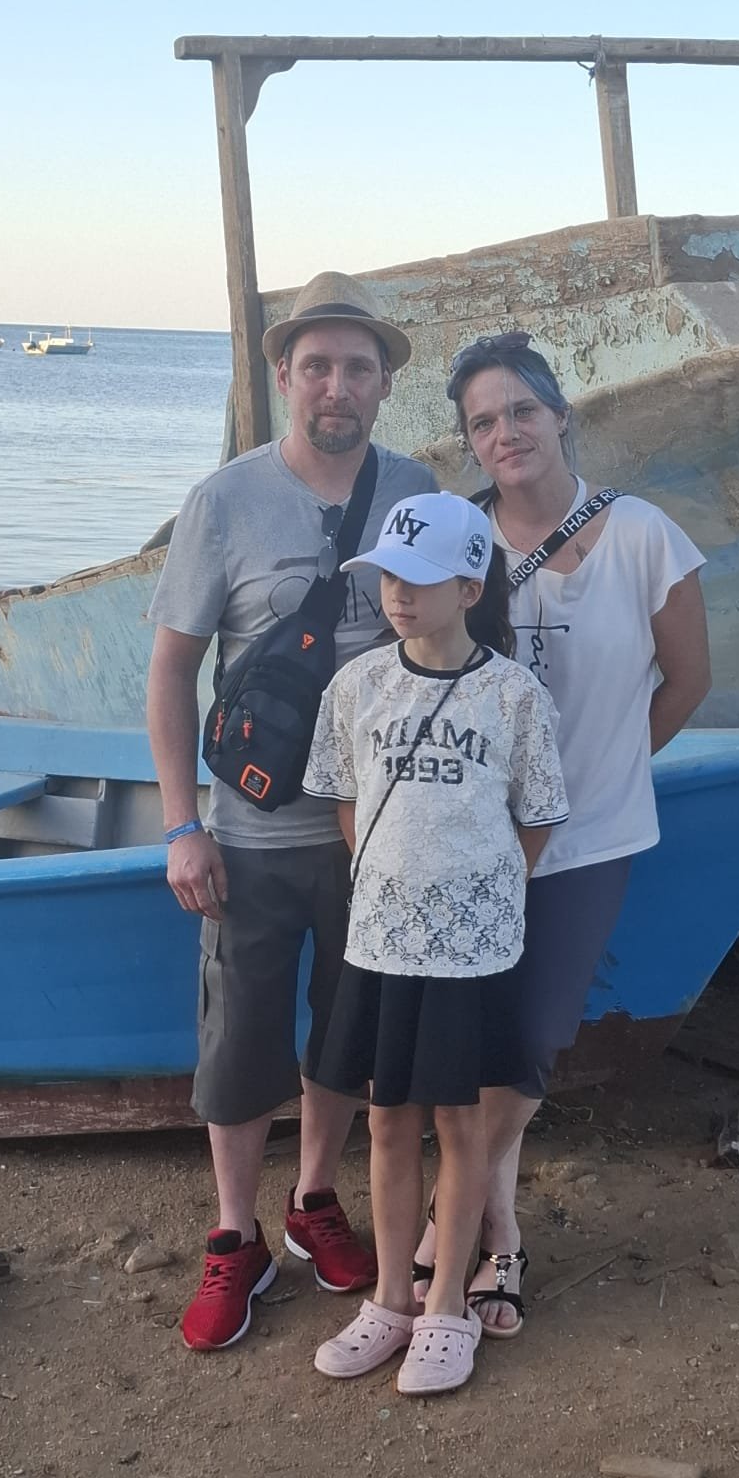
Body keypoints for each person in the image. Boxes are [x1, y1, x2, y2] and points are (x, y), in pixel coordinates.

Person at [146, 272, 439, 1352]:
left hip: (377, 835)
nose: (336, 386)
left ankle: (315, 1201)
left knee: (346, 1031)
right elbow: (170, 673)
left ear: (384, 384)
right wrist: (183, 826)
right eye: (317, 365)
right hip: (254, 833)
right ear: (283, 377)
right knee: (239, 1042)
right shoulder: (224, 502)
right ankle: (236, 1235)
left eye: (358, 367)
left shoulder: (414, 491)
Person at [411, 331, 711, 1336]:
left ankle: (446, 1222)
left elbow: (689, 679)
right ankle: (497, 1238)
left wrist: (613, 762)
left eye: (522, 411)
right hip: (473, 836)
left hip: (590, 837)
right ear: (470, 441)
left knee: (535, 1038)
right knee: (483, 1042)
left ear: (561, 416)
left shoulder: (643, 536)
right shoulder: (460, 544)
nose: (505, 433)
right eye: (482, 422)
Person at [300, 492, 568, 1394]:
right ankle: (390, 1299)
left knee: (462, 1122)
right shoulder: (357, 686)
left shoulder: (513, 695)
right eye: (387, 577)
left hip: (472, 953)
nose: (398, 595)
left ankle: (447, 1301)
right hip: (381, 943)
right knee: (386, 1119)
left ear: (469, 586)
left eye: (419, 579)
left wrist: (478, 893)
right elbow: (346, 798)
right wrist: (392, 884)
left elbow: (537, 816)